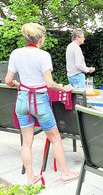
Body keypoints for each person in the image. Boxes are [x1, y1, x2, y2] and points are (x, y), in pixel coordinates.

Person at [5, 22, 79, 184]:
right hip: (39, 102)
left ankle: (31, 178)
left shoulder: (15, 53)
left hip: (22, 100)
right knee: (55, 138)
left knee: (26, 142)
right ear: (40, 39)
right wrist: (64, 88)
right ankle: (65, 173)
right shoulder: (43, 55)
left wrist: (19, 84)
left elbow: (8, 80)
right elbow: (50, 83)